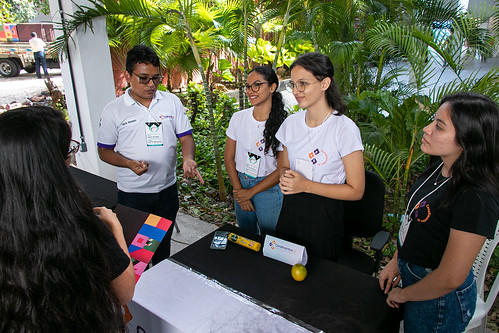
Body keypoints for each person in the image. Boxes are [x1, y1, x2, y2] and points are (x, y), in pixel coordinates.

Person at [0, 106, 135, 332]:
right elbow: (124, 292)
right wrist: (115, 228)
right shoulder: (76, 224)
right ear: (50, 165)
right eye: (68, 151)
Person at [379, 92, 499, 333]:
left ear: (467, 140)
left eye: (439, 126)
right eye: (432, 120)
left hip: (438, 298)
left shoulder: (475, 198)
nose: (426, 129)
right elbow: (414, 216)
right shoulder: (439, 164)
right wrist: (396, 261)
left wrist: (405, 295)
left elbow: (450, 277)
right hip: (415, 277)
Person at [98, 44, 203, 264]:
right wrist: (128, 163)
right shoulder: (114, 110)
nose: (151, 85)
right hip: (134, 195)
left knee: (162, 246)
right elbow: (104, 151)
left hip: (166, 191)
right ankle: (138, 290)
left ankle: (161, 284)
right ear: (128, 75)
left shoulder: (171, 102)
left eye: (157, 78)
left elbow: (185, 137)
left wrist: (188, 158)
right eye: (144, 78)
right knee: (138, 252)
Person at [275, 52, 365, 261]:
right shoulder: (291, 124)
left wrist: (306, 185)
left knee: (317, 279)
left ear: (324, 83)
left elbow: (356, 191)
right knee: (282, 271)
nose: (296, 91)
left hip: (324, 214)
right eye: (293, 84)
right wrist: (286, 177)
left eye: (303, 84)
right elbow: (284, 165)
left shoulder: (344, 129)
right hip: (292, 208)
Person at [224, 66, 287, 235]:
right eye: (248, 86)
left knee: (270, 238)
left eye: (257, 85)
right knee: (246, 236)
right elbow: (229, 158)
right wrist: (239, 192)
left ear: (272, 87)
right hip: (241, 182)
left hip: (268, 187)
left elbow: (282, 169)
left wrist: (250, 193)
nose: (250, 91)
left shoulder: (284, 123)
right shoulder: (238, 118)